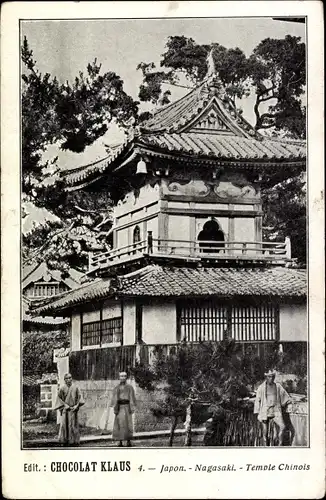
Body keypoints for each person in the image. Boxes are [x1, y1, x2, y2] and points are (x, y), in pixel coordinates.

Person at [254, 369, 292, 446]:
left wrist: (289, 403)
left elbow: (285, 396)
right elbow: (257, 400)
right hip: (265, 411)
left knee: (283, 427)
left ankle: (279, 446)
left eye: (272, 377)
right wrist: (258, 413)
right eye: (269, 377)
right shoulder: (261, 388)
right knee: (265, 433)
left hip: (275, 410)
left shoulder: (278, 386)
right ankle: (266, 448)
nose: (271, 378)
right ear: (266, 377)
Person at [54, 373, 85, 446]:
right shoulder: (62, 388)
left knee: (73, 425)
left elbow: (80, 398)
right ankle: (64, 441)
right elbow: (59, 399)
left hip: (73, 410)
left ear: (72, 378)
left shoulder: (76, 388)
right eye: (67, 378)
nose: (69, 380)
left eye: (70, 378)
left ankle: (74, 441)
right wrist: (65, 405)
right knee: (64, 425)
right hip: (65, 410)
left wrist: (76, 406)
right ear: (64, 380)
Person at [110, 371, 136, 447]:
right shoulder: (116, 388)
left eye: (124, 376)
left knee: (128, 424)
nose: (123, 378)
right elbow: (115, 398)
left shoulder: (130, 387)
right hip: (120, 407)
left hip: (127, 407)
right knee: (119, 424)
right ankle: (120, 441)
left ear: (126, 377)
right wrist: (115, 408)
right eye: (121, 376)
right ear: (119, 377)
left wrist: (132, 407)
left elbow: (132, 398)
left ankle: (128, 440)